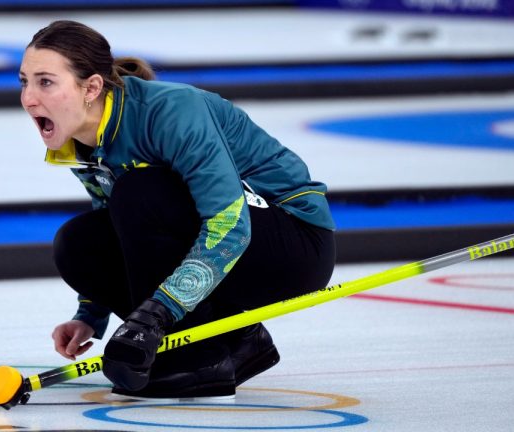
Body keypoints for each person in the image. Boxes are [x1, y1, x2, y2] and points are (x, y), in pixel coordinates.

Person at [19, 20, 336, 399]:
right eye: (24, 81)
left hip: (293, 241)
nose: (29, 98)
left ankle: (197, 362)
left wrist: (157, 314)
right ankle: (234, 338)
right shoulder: (78, 141)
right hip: (224, 242)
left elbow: (230, 225)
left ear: (91, 88)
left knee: (141, 192)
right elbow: (116, 232)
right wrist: (90, 316)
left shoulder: (171, 111)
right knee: (78, 243)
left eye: (46, 82)